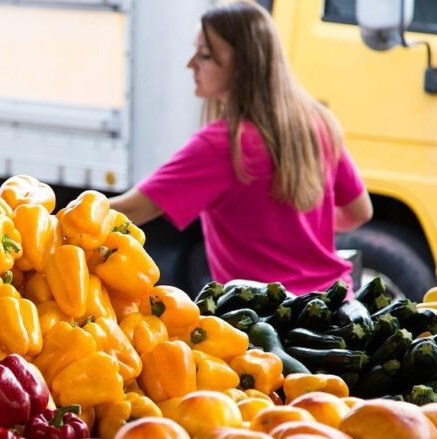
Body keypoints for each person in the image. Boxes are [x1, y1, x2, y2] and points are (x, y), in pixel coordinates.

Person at [110, 1, 373, 295]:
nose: (190, 64)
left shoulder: (222, 144)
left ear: (242, 67)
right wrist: (301, 228)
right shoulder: (317, 122)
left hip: (267, 319)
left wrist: (52, 212)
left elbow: (130, 210)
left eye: (205, 56)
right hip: (333, 308)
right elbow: (359, 212)